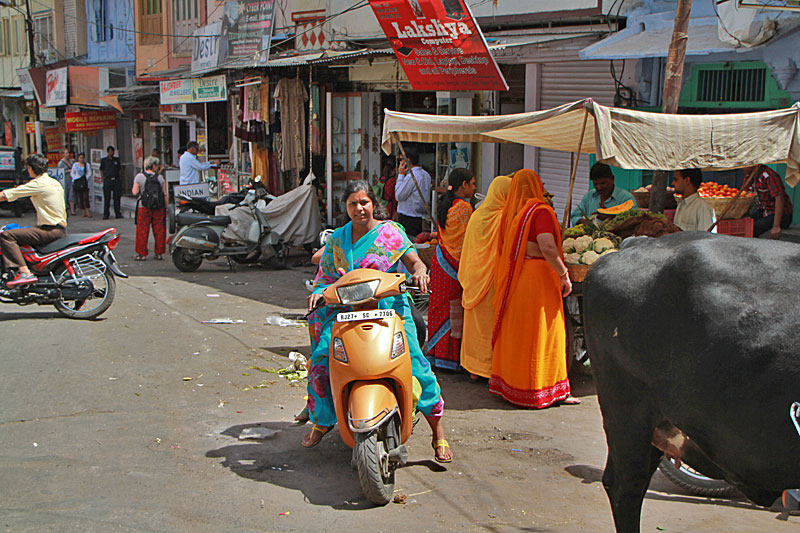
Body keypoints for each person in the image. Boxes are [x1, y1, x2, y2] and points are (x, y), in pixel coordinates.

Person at [303, 180, 453, 462]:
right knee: (322, 359)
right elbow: (324, 279)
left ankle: (438, 430)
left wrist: (421, 271)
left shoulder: (391, 232)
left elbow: (413, 261)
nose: (359, 208)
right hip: (346, 312)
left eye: (364, 202)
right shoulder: (336, 239)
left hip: (390, 309)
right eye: (352, 204)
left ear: (373, 204)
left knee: (417, 365)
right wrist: (318, 293)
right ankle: (322, 419)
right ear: (345, 208)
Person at [491, 169, 579, 408]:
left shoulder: (514, 214)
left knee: (522, 335)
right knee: (545, 334)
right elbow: (547, 246)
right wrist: (563, 274)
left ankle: (514, 387)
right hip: (539, 280)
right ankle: (543, 390)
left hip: (519, 280)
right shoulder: (540, 212)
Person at [458, 175, 512, 381]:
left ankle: (473, 369)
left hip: (473, 277)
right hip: (491, 279)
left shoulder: (478, 214)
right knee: (491, 324)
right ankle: (489, 370)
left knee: (474, 327)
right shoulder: (504, 217)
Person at [427, 168, 476, 370]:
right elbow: (469, 241)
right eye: (472, 183)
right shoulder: (464, 208)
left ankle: (436, 354)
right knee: (454, 309)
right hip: (454, 265)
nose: (474, 188)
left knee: (440, 309)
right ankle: (450, 358)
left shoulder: (445, 205)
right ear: (463, 185)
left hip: (441, 261)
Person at [0, 153, 67, 286]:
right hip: (56, 228)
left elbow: (10, 194)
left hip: (49, 231)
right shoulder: (54, 182)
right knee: (17, 230)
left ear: (31, 168)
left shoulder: (38, 184)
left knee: (6, 236)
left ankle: (25, 272)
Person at [570, 162, 636, 226]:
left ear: (612, 179)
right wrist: (583, 221)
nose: (599, 187)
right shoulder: (589, 196)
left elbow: (633, 221)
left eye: (603, 183)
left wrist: (611, 218)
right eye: (595, 184)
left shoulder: (626, 199)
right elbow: (575, 216)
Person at [132, 156, 168, 261]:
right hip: (159, 207)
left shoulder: (139, 177)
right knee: (159, 230)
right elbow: (164, 194)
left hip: (143, 207)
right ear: (153, 166)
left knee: (142, 230)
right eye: (157, 165)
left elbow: (134, 192)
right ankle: (159, 253)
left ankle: (142, 253)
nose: (158, 167)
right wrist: (166, 207)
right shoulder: (160, 178)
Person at [744, 164, 793, 240]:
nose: (743, 168)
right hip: (763, 211)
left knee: (753, 229)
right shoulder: (750, 177)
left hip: (780, 215)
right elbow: (744, 195)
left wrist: (776, 226)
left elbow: (779, 197)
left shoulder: (768, 175)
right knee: (744, 225)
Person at [395, 151, 431, 239]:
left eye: (401, 160)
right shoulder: (426, 175)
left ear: (407, 161)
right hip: (418, 217)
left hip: (408, 218)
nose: (399, 163)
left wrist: (400, 175)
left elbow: (399, 196)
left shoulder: (412, 176)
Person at [100, 145, 124, 219]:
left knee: (117, 197)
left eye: (112, 151)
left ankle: (117, 213)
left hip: (116, 180)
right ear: (107, 152)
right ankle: (106, 214)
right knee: (107, 198)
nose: (111, 153)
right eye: (109, 151)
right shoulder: (104, 160)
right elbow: (101, 170)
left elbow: (120, 170)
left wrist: (119, 178)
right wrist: (103, 179)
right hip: (108, 180)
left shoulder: (116, 160)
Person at [71, 153, 92, 218]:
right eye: (80, 158)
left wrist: (85, 178)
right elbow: (72, 173)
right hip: (78, 182)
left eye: (82, 158)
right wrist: (76, 178)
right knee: (81, 198)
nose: (81, 159)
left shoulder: (87, 165)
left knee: (86, 197)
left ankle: (88, 211)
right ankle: (83, 212)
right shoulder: (75, 165)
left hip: (85, 183)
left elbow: (89, 173)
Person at [57, 148, 75, 215]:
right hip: (64, 180)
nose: (67, 155)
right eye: (66, 153)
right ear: (63, 154)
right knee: (64, 195)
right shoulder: (61, 163)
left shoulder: (71, 161)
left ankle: (72, 210)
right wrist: (68, 171)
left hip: (71, 179)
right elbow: (60, 172)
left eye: (68, 153)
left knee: (71, 195)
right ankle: (64, 210)